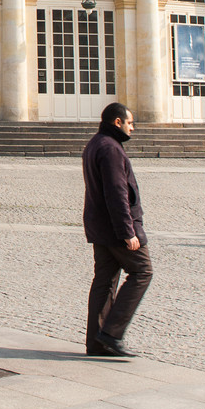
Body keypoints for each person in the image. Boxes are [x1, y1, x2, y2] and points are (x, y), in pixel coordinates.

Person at [82, 102, 152, 357]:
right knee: (142, 271)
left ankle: (96, 343)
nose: (133, 128)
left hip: (100, 226)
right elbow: (117, 194)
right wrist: (128, 232)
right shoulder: (111, 149)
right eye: (130, 123)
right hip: (115, 228)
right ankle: (111, 333)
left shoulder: (96, 143)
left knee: (105, 281)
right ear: (117, 122)